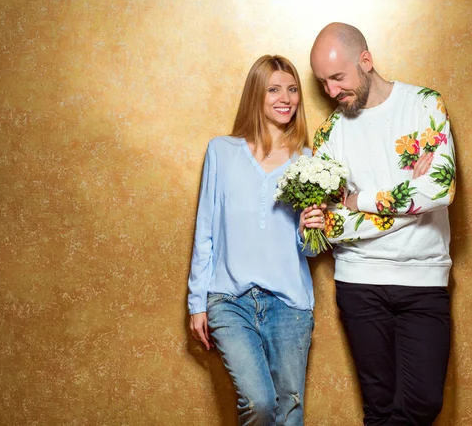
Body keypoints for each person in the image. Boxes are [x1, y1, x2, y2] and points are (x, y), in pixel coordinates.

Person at [310, 23, 457, 425]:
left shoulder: (425, 104)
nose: (332, 92)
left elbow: (439, 191)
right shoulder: (329, 134)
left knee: (422, 404)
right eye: (323, 83)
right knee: (379, 409)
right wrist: (408, 200)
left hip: (424, 279)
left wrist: (359, 201)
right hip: (359, 283)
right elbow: (331, 226)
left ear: (366, 61)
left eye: (338, 78)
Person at [187, 55, 325, 426]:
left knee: (290, 409)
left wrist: (310, 229)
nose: (286, 98)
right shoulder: (221, 151)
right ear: (256, 95)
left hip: (289, 303)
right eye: (274, 89)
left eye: (293, 89)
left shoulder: (307, 160)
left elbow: (310, 249)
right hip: (230, 300)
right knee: (260, 403)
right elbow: (206, 231)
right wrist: (196, 302)